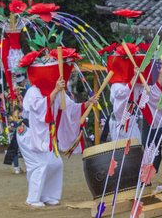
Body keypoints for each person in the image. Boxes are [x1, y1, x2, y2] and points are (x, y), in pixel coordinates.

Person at [17, 61, 100, 207]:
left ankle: (48, 195)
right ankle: (32, 199)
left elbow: (71, 109)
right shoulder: (33, 91)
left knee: (56, 163)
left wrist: (88, 103)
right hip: (29, 133)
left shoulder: (58, 91)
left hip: (45, 134)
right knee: (40, 164)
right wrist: (55, 90)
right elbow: (39, 108)